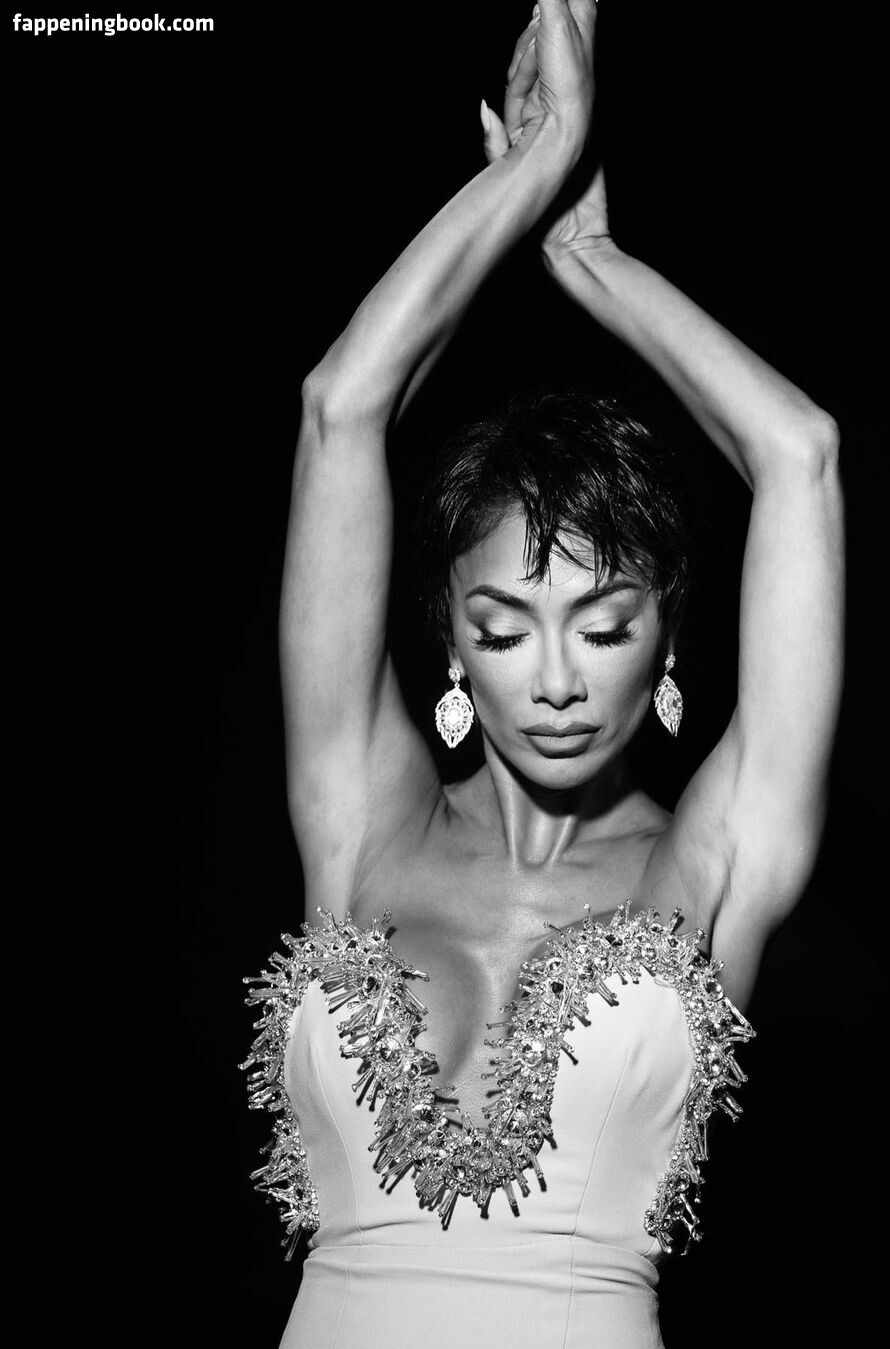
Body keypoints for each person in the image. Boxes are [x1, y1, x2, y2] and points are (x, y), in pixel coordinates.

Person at [242, 2, 845, 1345]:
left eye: (605, 625)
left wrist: (593, 258)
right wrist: (529, 172)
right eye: (506, 630)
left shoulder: (709, 860)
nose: (557, 679)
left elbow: (798, 453)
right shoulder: (359, 817)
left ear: (668, 640)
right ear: (453, 644)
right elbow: (340, 407)